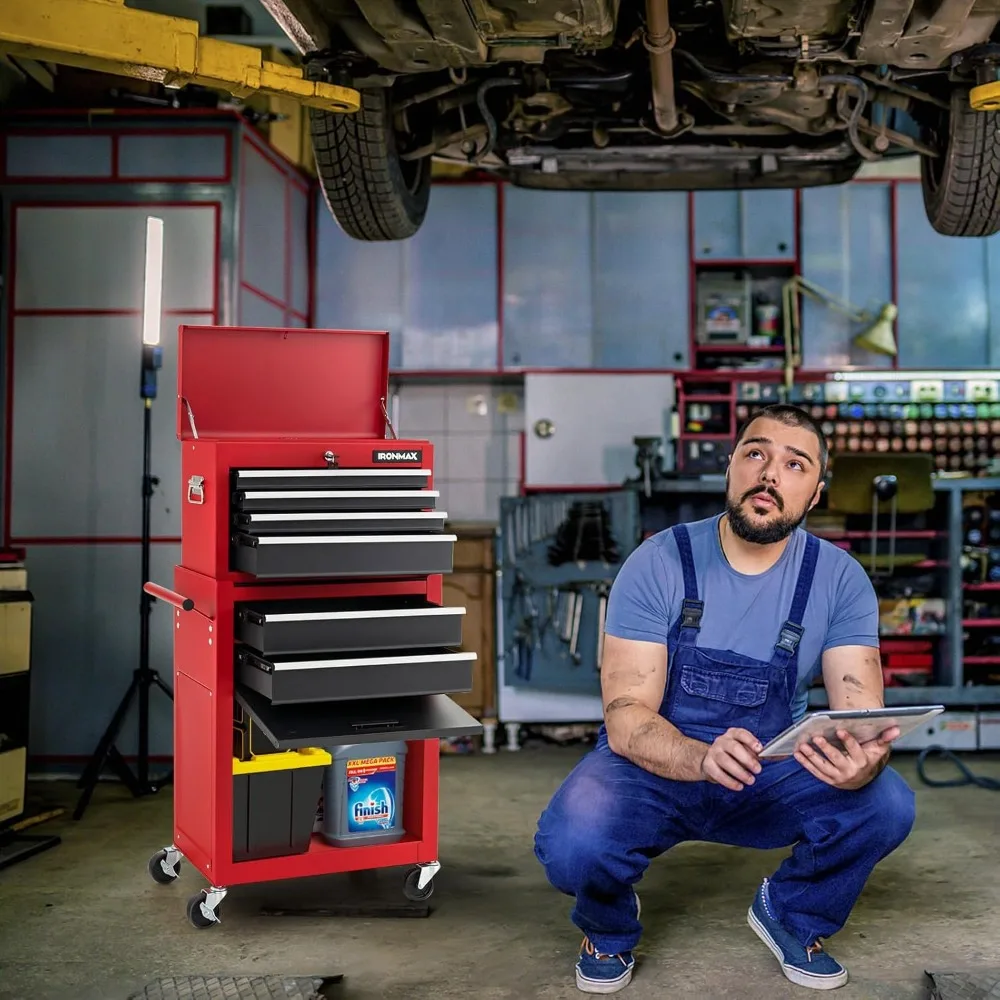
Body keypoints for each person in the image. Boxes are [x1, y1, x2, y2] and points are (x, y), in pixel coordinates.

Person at [533, 404, 916, 995]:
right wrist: (700, 757)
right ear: (732, 465)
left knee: (884, 803)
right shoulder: (659, 561)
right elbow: (626, 717)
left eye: (795, 464)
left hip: (769, 769)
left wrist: (864, 760)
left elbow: (860, 715)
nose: (770, 474)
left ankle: (792, 912)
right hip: (655, 766)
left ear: (816, 493)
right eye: (756, 453)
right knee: (572, 842)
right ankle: (607, 925)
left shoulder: (839, 579)